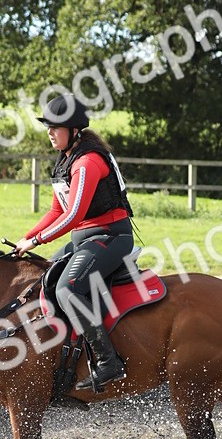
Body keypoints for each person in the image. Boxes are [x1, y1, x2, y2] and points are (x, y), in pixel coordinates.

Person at [14, 94, 135, 390]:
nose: (49, 132)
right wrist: (26, 238)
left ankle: (109, 362)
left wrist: (38, 240)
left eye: (56, 127)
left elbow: (73, 214)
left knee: (68, 287)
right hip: (84, 240)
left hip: (110, 237)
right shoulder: (65, 161)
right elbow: (56, 210)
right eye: (48, 127)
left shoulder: (88, 162)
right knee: (42, 279)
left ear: (74, 130)